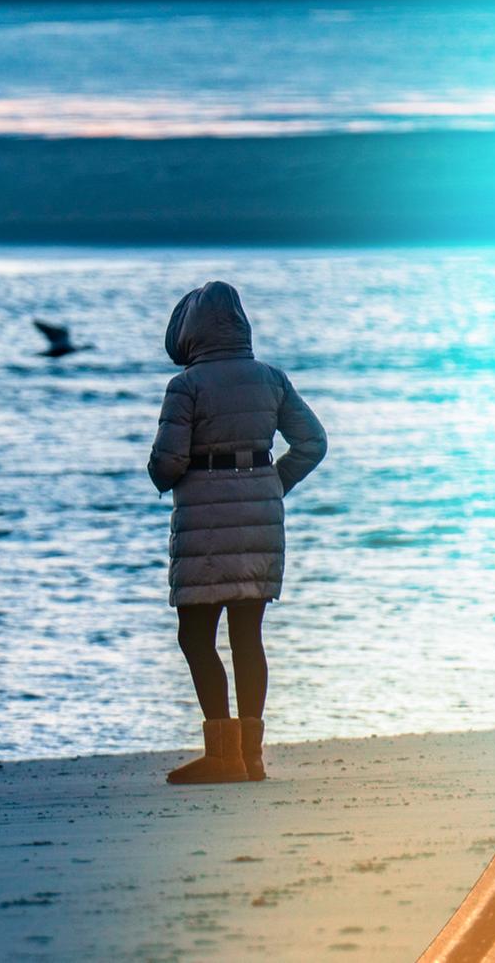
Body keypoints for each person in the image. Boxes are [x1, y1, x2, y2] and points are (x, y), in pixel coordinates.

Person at [147, 280, 327, 784]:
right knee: (248, 635)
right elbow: (312, 442)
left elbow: (168, 462)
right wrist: (273, 484)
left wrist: (159, 475)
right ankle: (251, 756)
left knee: (195, 634)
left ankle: (220, 752)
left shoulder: (186, 386)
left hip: (203, 521)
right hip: (260, 518)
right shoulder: (272, 378)